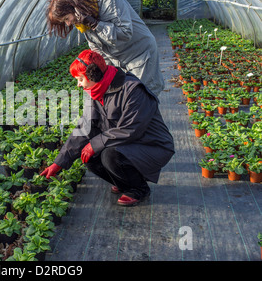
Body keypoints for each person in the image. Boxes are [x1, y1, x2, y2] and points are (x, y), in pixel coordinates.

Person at [39, 50, 174, 206]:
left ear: (93, 76)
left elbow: (130, 129)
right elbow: (84, 128)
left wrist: (95, 143)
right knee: (89, 156)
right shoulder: (96, 92)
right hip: (127, 143)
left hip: (152, 145)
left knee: (110, 155)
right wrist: (59, 162)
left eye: (80, 79)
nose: (79, 84)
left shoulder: (132, 89)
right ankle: (124, 182)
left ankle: (138, 189)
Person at [46, 0, 165, 96]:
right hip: (120, 59)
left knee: (142, 96)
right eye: (64, 22)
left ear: (74, 6)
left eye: (67, 18)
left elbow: (125, 33)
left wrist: (96, 24)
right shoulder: (82, 18)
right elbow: (98, 47)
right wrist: (103, 73)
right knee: (126, 99)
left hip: (139, 53)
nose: (68, 23)